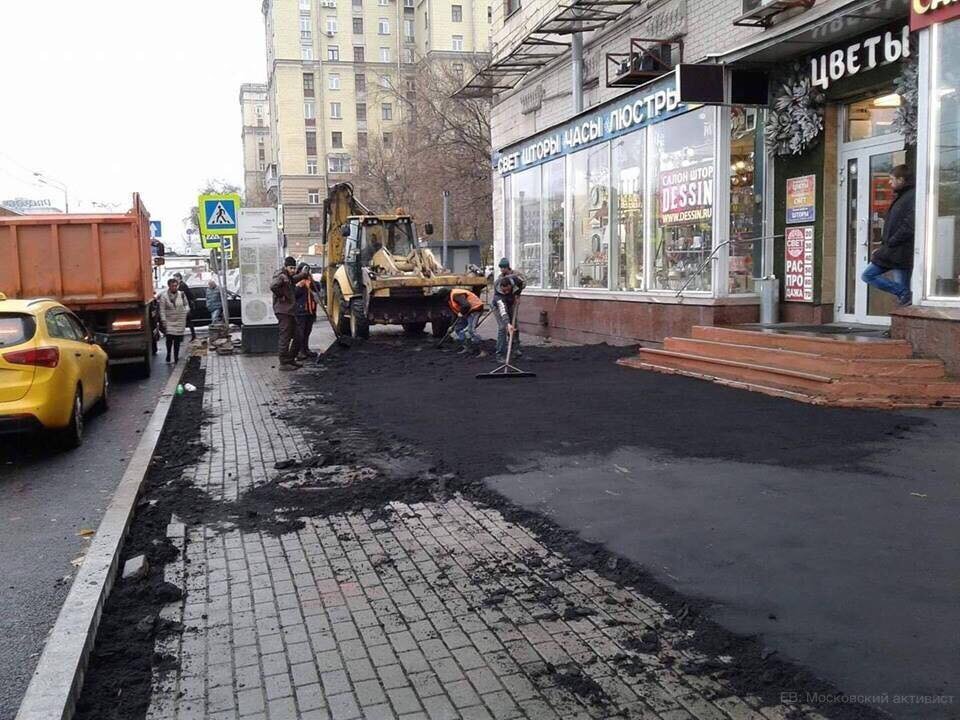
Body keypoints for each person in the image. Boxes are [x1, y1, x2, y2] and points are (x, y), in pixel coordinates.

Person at [862, 164, 915, 307]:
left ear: (901, 179)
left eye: (892, 179)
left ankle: (905, 297)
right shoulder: (901, 196)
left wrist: (892, 241)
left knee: (869, 275)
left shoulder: (911, 196)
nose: (889, 183)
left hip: (901, 251)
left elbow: (910, 225)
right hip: (892, 249)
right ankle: (904, 294)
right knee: (868, 275)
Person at [271, 256, 312, 371]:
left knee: (298, 336)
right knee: (285, 336)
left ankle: (291, 359)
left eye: (294, 268)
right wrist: (282, 295)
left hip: (290, 311)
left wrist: (304, 274)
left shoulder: (288, 276)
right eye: (291, 268)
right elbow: (273, 286)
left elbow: (294, 279)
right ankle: (284, 363)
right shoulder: (281, 276)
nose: (293, 270)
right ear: (285, 267)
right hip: (283, 311)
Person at [492, 268, 525, 362]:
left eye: (508, 290)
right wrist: (508, 324)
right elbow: (503, 311)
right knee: (503, 328)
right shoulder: (498, 295)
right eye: (504, 291)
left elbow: (522, 284)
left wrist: (517, 295)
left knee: (515, 327)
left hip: (511, 302)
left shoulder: (516, 280)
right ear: (501, 288)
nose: (506, 292)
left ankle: (515, 349)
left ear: (511, 285)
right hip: (498, 307)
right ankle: (500, 354)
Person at [158, 277, 189, 363]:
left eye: (176, 286)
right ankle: (168, 353)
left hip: (179, 321)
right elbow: (162, 310)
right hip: (169, 321)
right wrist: (163, 321)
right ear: (169, 286)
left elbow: (186, 305)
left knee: (177, 340)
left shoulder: (182, 295)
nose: (175, 287)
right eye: (173, 286)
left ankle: (176, 356)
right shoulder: (164, 296)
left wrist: (186, 311)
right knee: (169, 339)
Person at [447, 287, 485, 355]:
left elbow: (466, 305)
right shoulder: (450, 300)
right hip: (467, 312)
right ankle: (467, 347)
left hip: (475, 309)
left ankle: (482, 350)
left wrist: (461, 313)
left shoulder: (456, 295)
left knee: (471, 331)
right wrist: (452, 326)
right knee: (458, 329)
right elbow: (455, 313)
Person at [294, 264, 319, 360]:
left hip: (310, 311)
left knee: (307, 331)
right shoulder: (296, 282)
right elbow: (294, 294)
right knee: (300, 332)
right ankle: (300, 351)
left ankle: (306, 349)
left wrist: (311, 281)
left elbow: (318, 288)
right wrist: (300, 286)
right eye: (305, 270)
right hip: (301, 311)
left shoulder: (311, 281)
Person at [174, 272, 197, 340]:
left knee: (185, 321)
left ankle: (183, 337)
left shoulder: (182, 285)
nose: (174, 279)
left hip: (184, 306)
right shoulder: (179, 285)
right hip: (183, 306)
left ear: (179, 277)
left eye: (175, 277)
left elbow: (184, 296)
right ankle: (191, 336)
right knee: (186, 322)